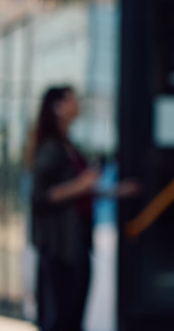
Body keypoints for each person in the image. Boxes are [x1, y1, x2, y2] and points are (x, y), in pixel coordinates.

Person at [29, 85, 134, 331]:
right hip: (60, 246)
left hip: (75, 240)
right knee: (62, 316)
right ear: (58, 107)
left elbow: (81, 189)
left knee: (73, 313)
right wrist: (82, 183)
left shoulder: (67, 144)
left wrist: (114, 191)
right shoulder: (50, 148)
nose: (78, 105)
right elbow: (42, 195)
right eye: (72, 100)